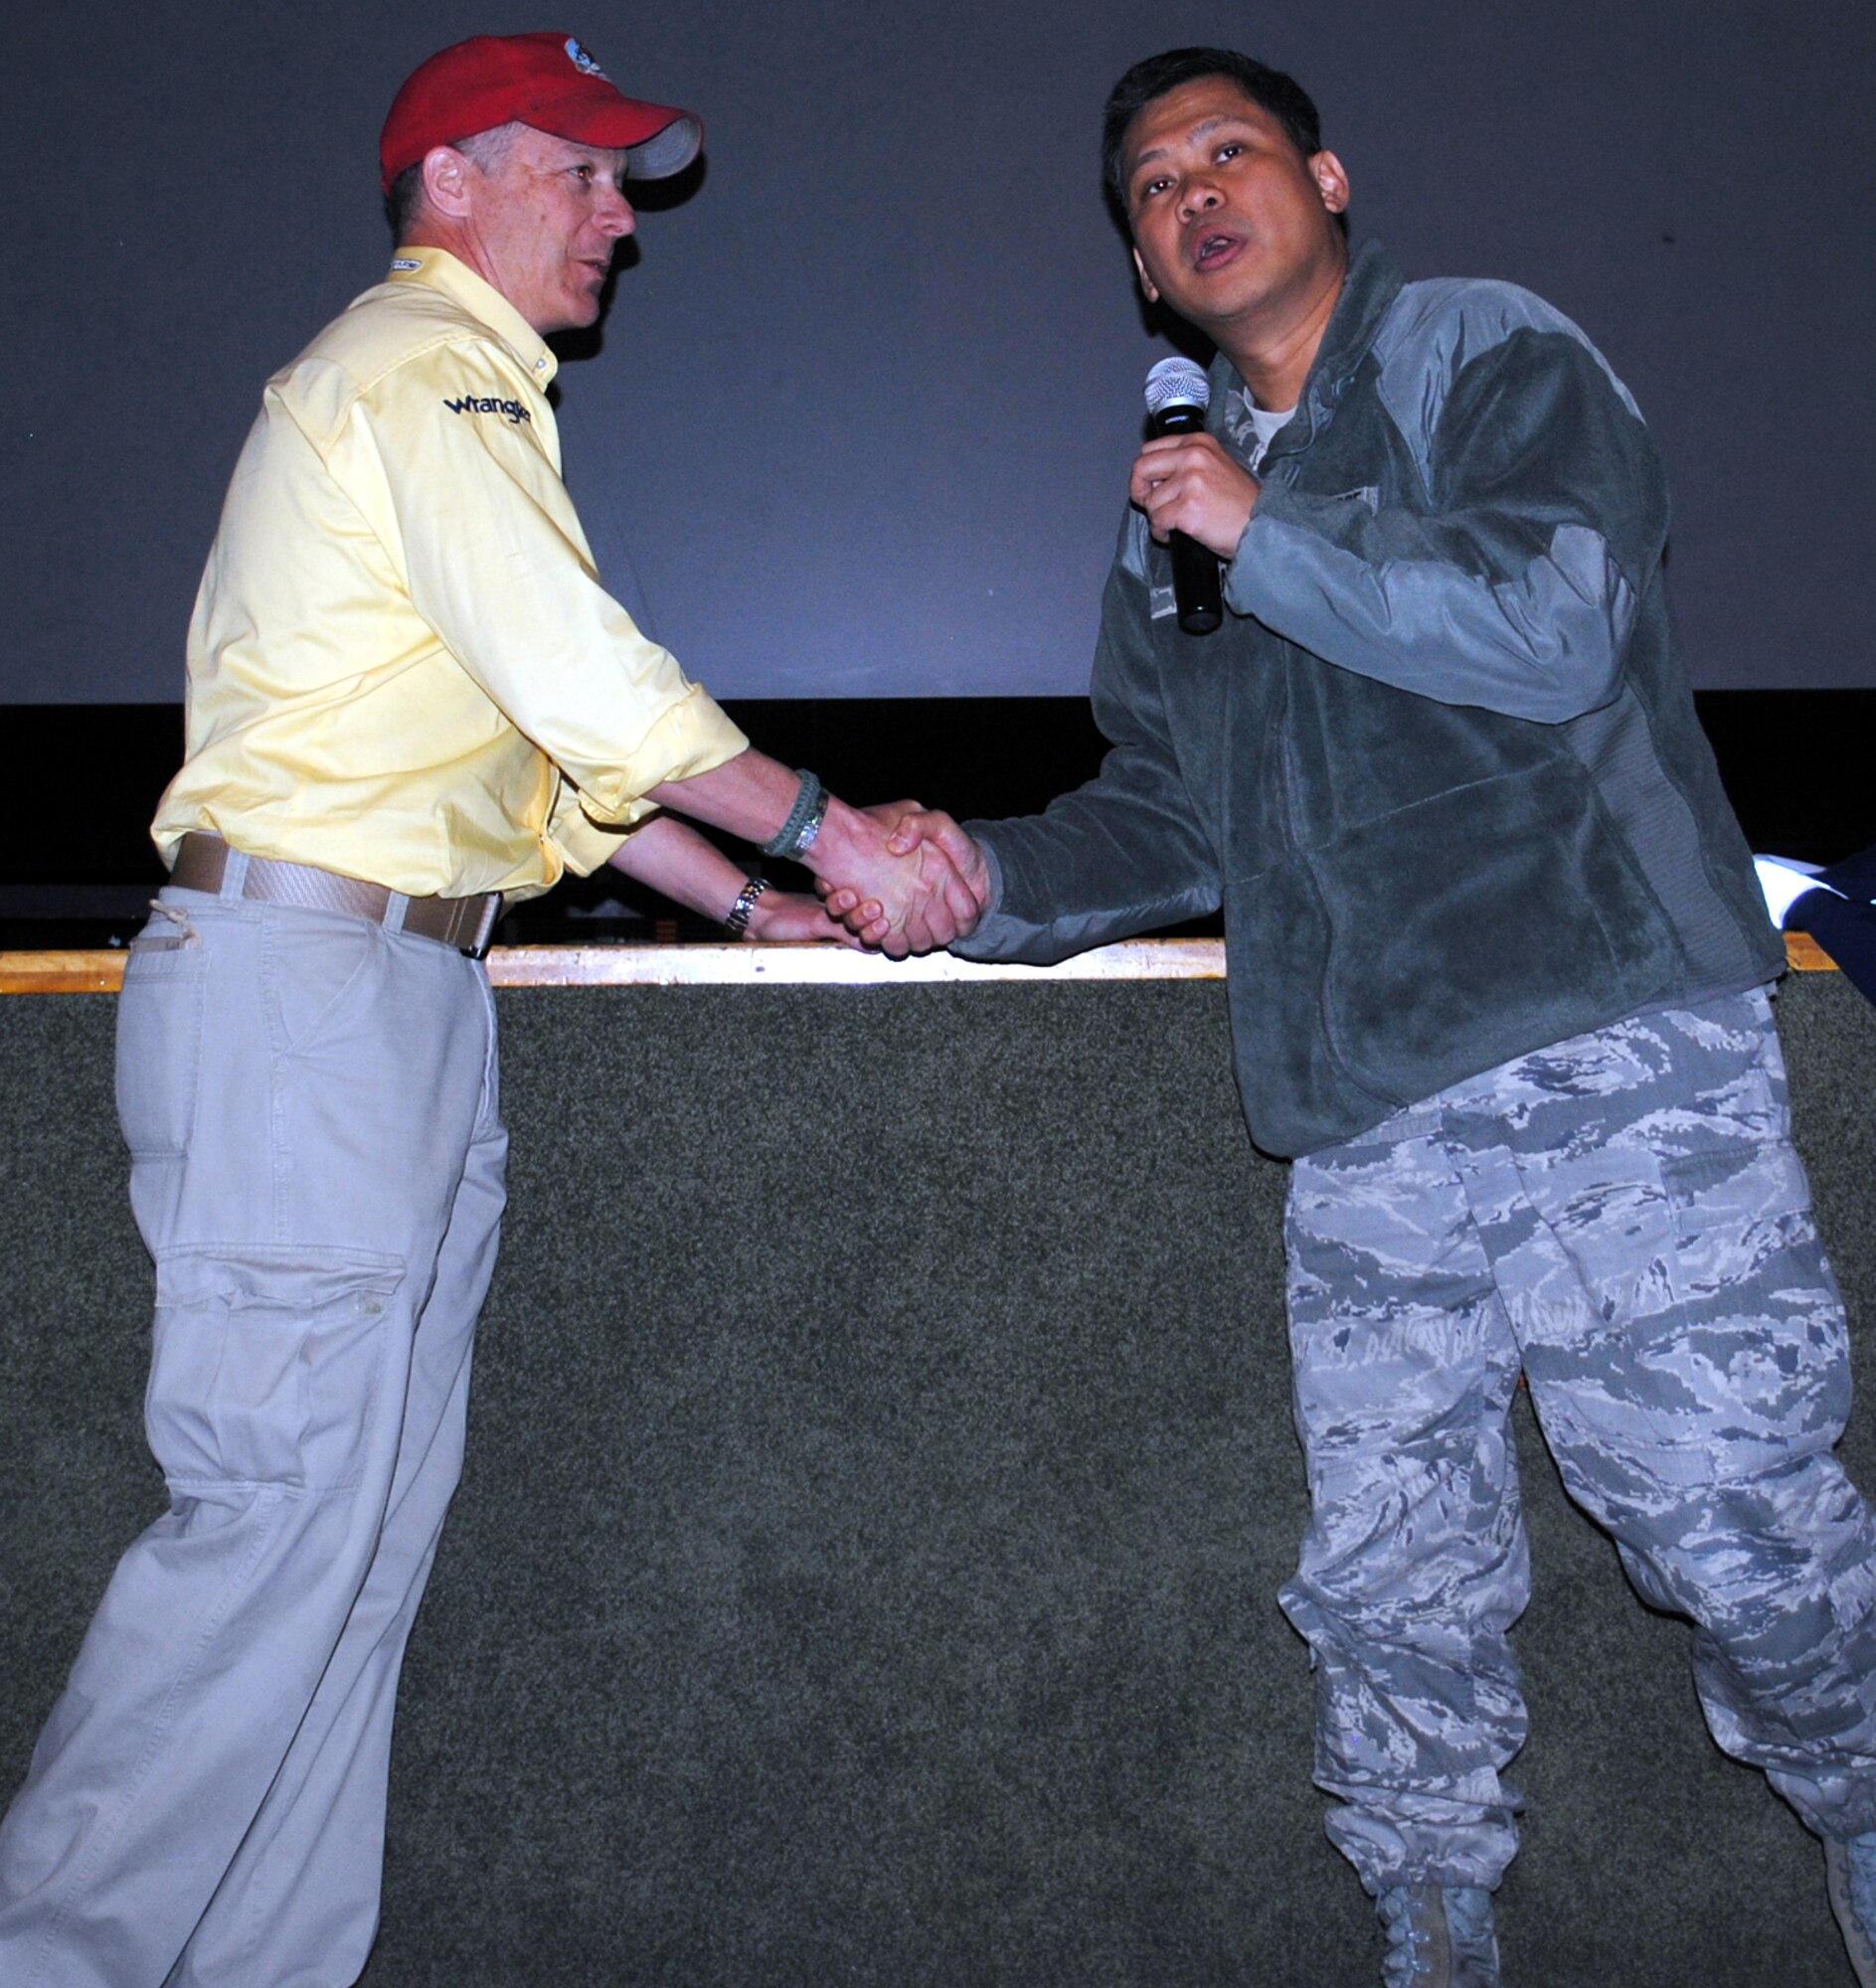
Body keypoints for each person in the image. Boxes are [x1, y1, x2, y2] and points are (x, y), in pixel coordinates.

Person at [845, 45, 1876, 1988]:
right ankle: (1425, 1915)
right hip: (1357, 1113)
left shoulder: (1479, 356)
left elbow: (1558, 625)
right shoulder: (1169, 519)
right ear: (1145, 273)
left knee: (1727, 1521)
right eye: (1150, 187)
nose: (1191, 194)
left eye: (1226, 153)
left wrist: (1262, 531)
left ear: (1322, 180)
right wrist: (972, 883)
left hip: (1606, 1056)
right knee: (1390, 1578)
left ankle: (1867, 1800)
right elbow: (1166, 807)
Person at [0, 31, 982, 1988]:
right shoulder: (413, 365)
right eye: (584, 173)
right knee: (275, 1540)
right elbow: (584, 673)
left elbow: (545, 777)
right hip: (311, 992)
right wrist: (826, 822)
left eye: (624, 181)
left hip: (394, 994)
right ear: (451, 178)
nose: (621, 216)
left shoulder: (455, 403)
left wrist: (748, 902)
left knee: (351, 1566)